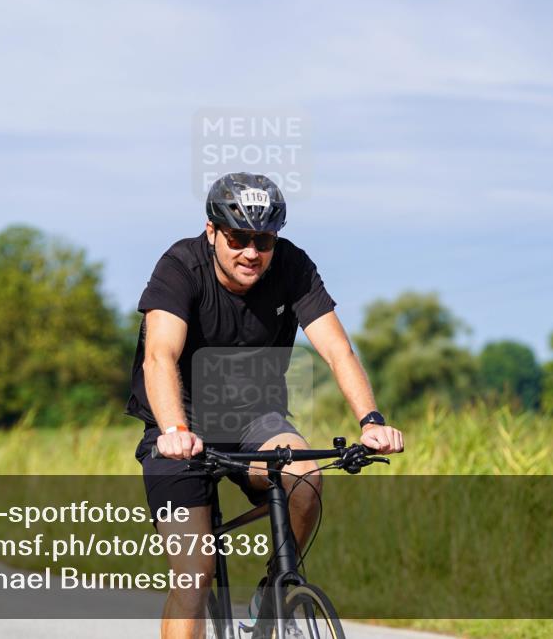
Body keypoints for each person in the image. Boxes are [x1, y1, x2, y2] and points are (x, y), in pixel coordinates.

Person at [126, 173, 404, 639]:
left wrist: (371, 420)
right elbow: (160, 355)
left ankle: (272, 593)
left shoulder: (292, 267)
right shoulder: (180, 266)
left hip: (256, 419)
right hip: (179, 430)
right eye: (238, 238)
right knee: (194, 576)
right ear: (213, 231)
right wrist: (174, 428)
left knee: (304, 476)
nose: (251, 253)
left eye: (264, 240)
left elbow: (337, 350)